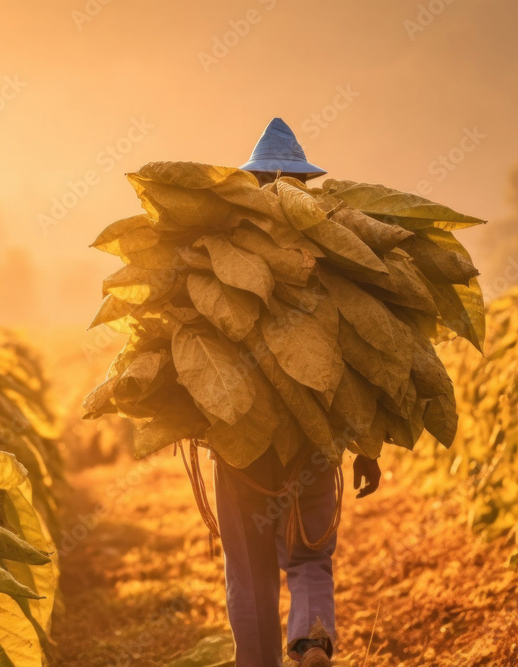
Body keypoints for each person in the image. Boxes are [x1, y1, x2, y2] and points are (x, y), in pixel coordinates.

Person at [213, 118, 383, 667]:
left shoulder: (222, 248)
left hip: (243, 442)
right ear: (304, 183)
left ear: (255, 182)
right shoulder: (334, 253)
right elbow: (366, 354)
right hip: (315, 433)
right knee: (310, 555)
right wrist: (367, 449)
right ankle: (311, 642)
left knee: (250, 568)